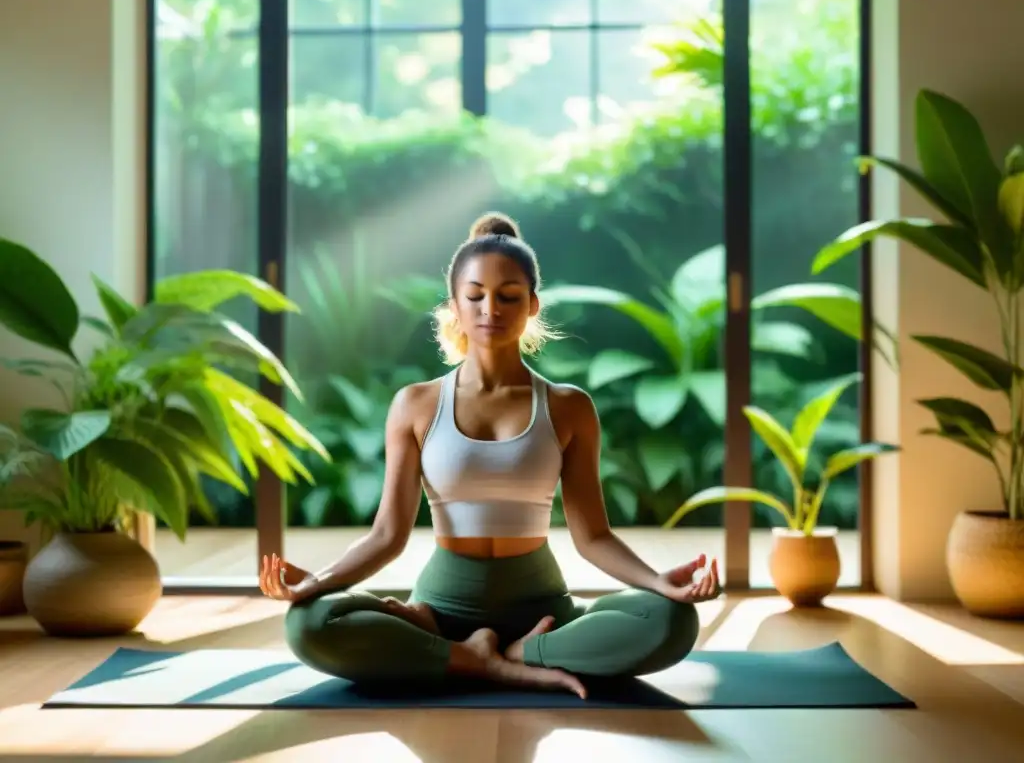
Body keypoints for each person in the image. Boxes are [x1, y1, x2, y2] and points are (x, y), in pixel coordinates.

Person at [259, 212, 722, 699]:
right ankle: (471, 656)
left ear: (532, 305)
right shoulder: (416, 405)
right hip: (438, 609)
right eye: (475, 295)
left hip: (543, 613)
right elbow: (386, 535)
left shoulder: (569, 407)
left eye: (508, 296)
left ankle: (522, 653)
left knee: (670, 620)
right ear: (454, 306)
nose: (490, 309)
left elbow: (594, 537)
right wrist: (319, 580)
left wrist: (658, 582)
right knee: (309, 623)